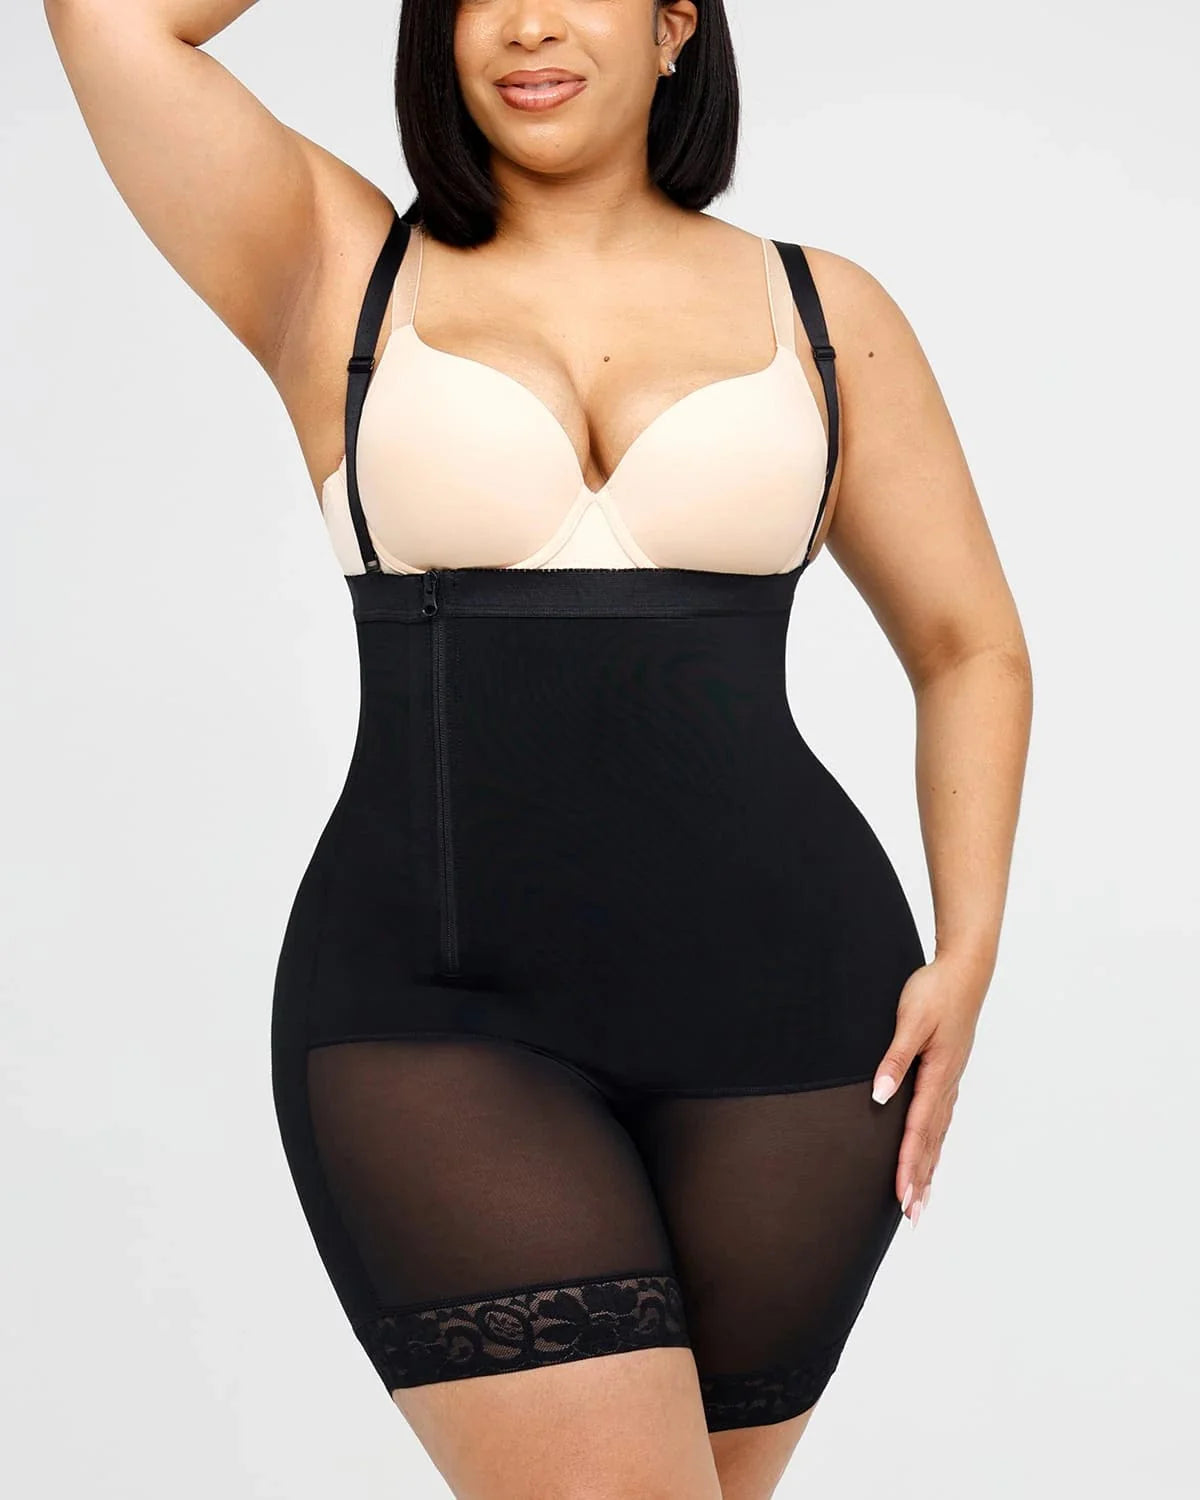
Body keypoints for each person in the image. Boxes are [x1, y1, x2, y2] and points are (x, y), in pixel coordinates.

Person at [44, 1, 1033, 1496]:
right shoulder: (330, 263)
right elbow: (111, 19)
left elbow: (969, 645)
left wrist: (970, 951)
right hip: (435, 1027)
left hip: (797, 1026)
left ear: (675, 23)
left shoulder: (825, 310)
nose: (524, 23)